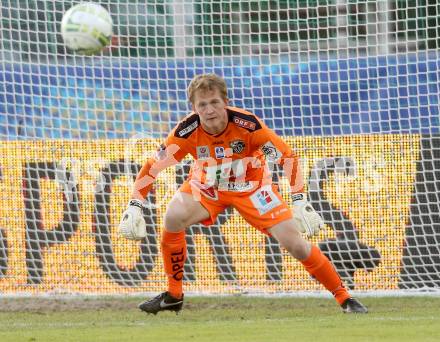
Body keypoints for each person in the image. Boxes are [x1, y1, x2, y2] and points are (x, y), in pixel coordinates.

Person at [119, 73, 368, 314]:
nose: (209, 110)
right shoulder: (186, 132)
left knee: (295, 245)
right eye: (202, 105)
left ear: (226, 103)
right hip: (208, 188)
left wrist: (299, 199)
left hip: (254, 189)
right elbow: (152, 167)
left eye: (214, 102)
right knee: (173, 217)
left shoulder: (248, 125)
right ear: (194, 108)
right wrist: (134, 205)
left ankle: (344, 297)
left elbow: (286, 158)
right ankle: (174, 296)